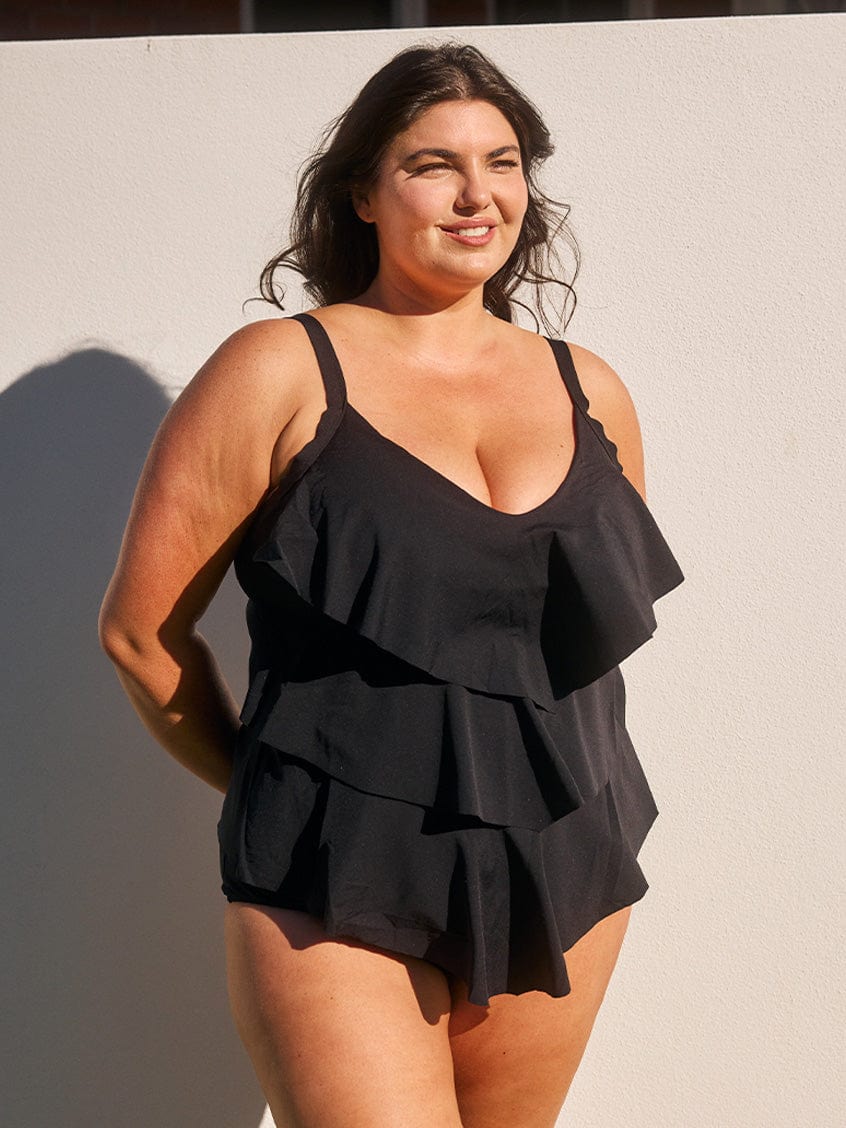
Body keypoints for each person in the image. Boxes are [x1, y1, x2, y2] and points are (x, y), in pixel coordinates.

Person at [100, 41, 683, 1128]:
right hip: (335, 873)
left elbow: (585, 647)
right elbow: (140, 635)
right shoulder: (278, 370)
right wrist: (282, 789)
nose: (478, 195)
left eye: (503, 162)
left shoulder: (588, 387)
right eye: (433, 165)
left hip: (569, 862)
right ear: (363, 192)